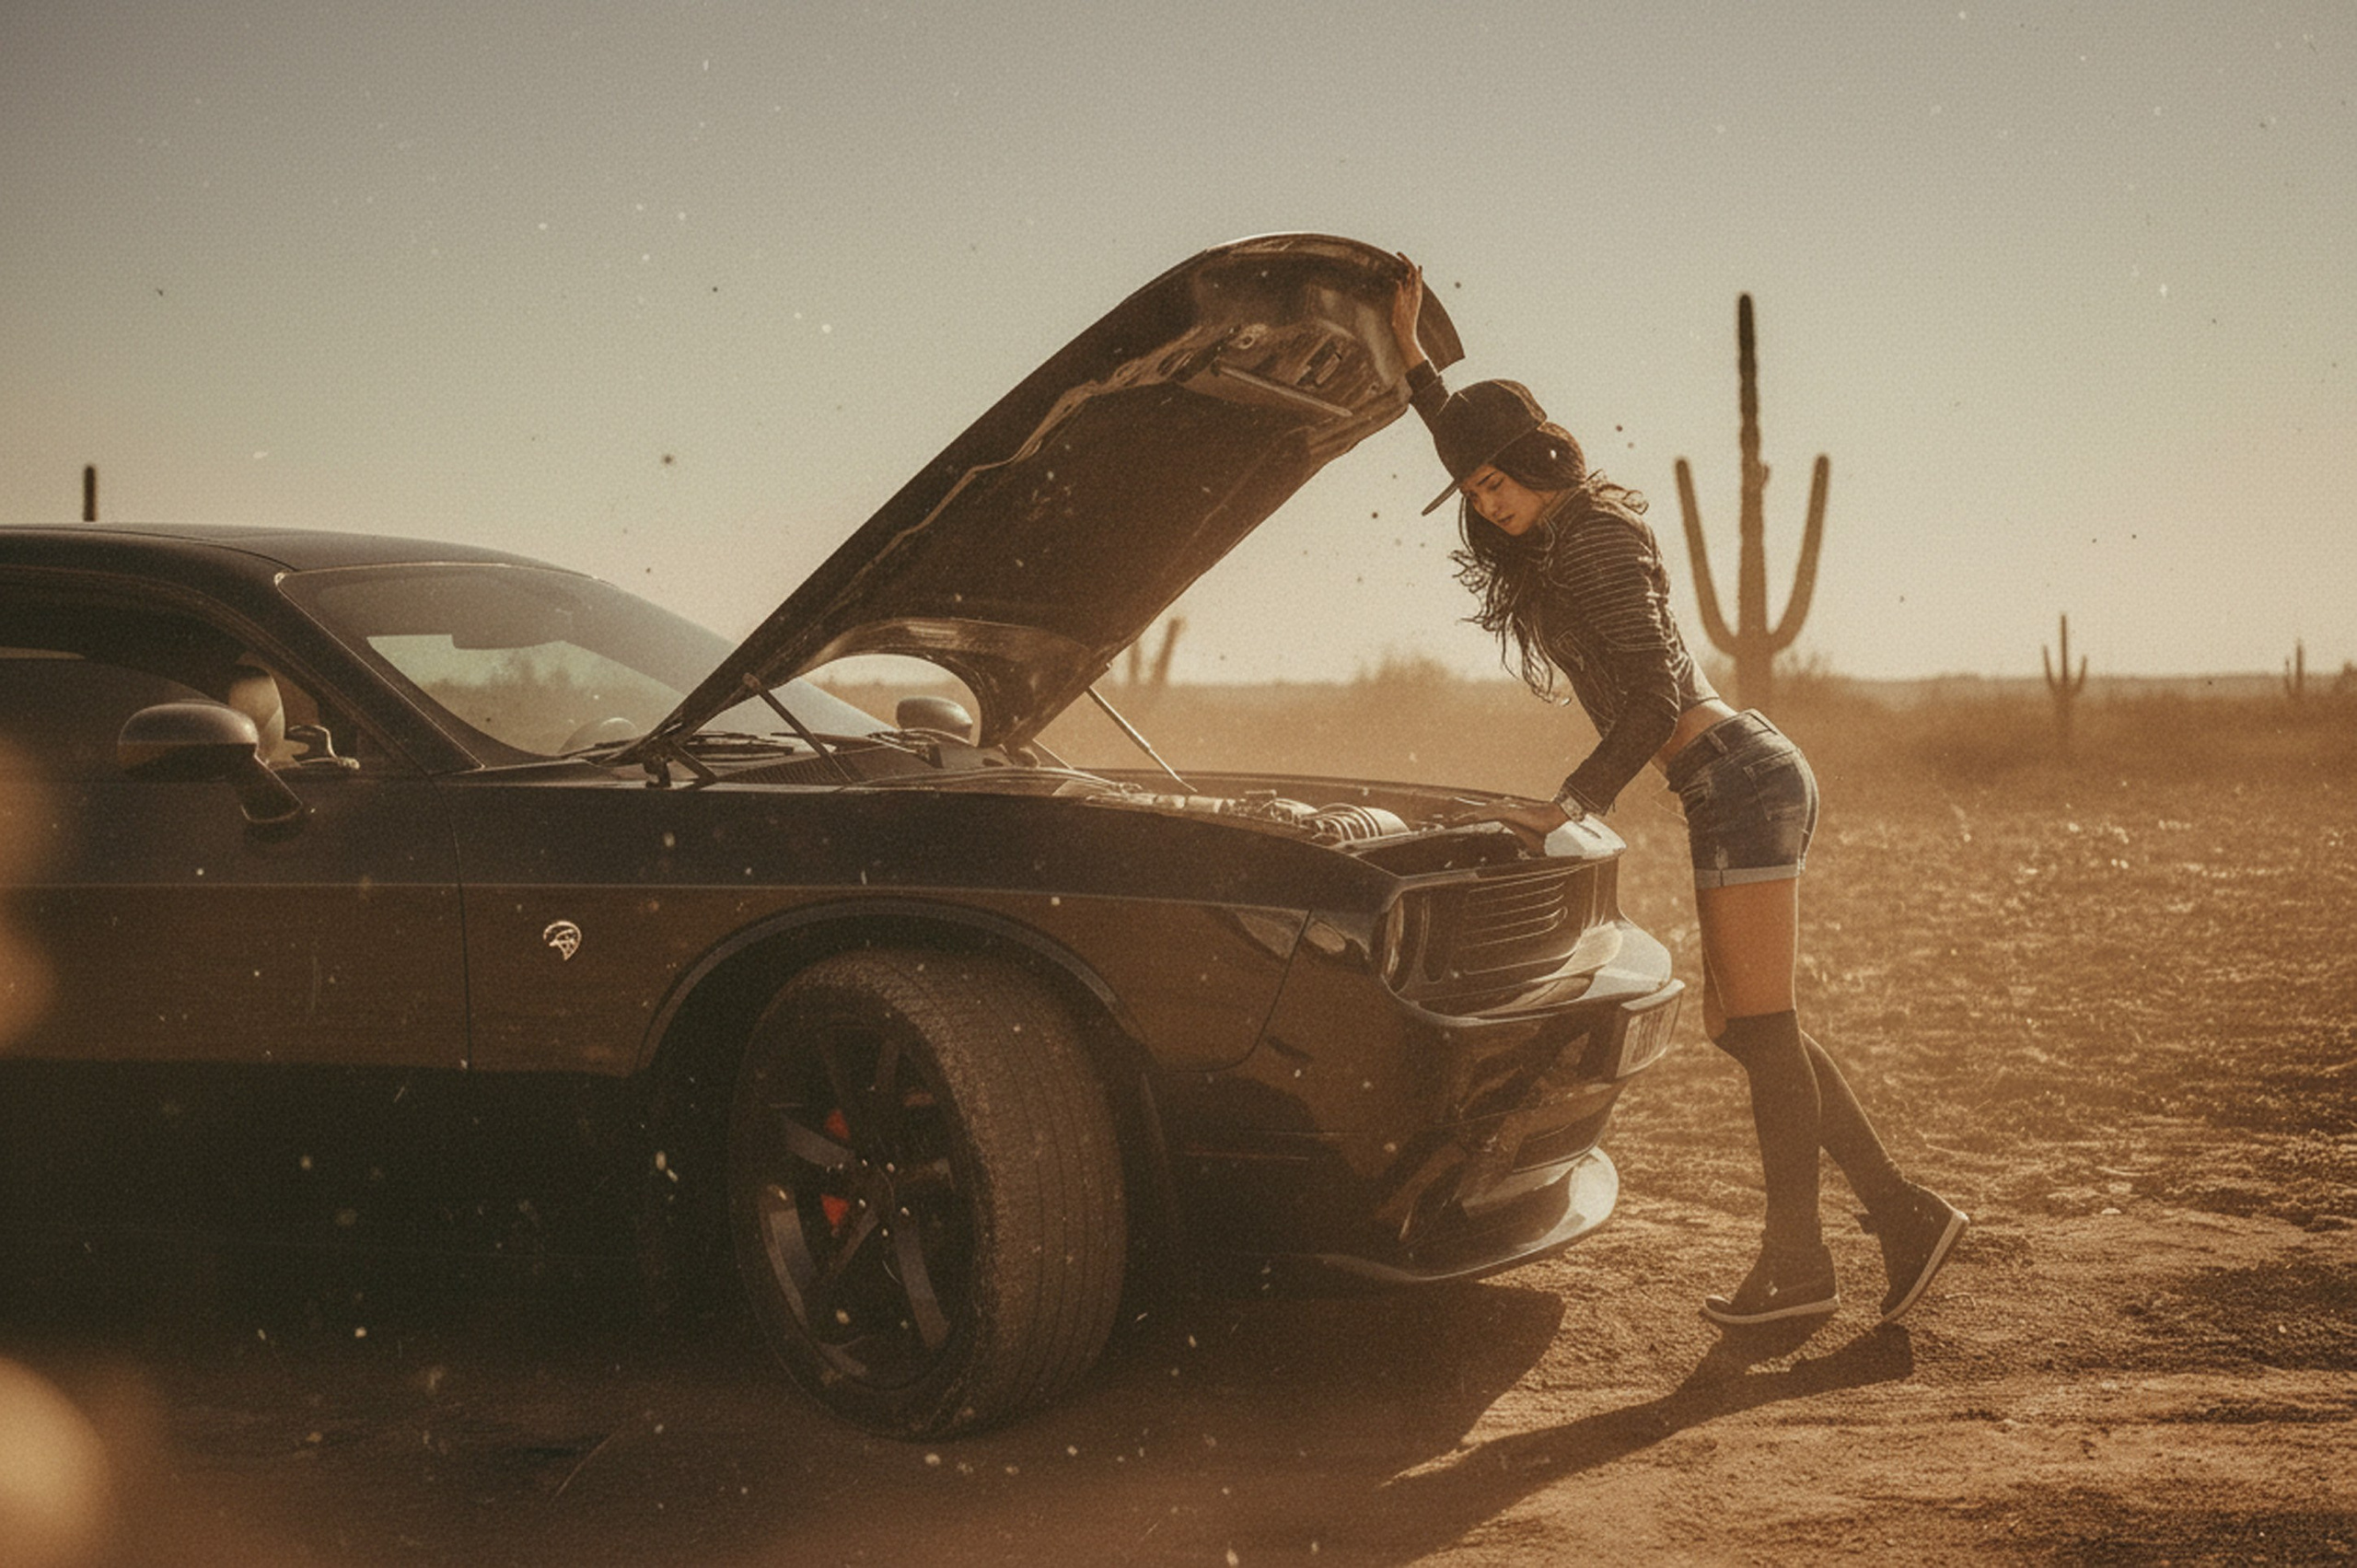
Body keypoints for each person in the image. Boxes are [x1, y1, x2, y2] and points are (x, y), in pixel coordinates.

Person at [1387, 257, 1966, 1328]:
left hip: (1735, 778)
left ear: (1535, 460)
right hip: (1729, 780)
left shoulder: (1597, 539)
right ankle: (1893, 1218)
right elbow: (1463, 435)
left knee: (1762, 1024)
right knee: (1750, 1028)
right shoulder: (1561, 529)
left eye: (1494, 481)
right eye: (1471, 492)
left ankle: (1812, 1259)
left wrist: (1578, 798)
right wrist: (1413, 360)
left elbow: (1653, 693)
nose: (1485, 503)